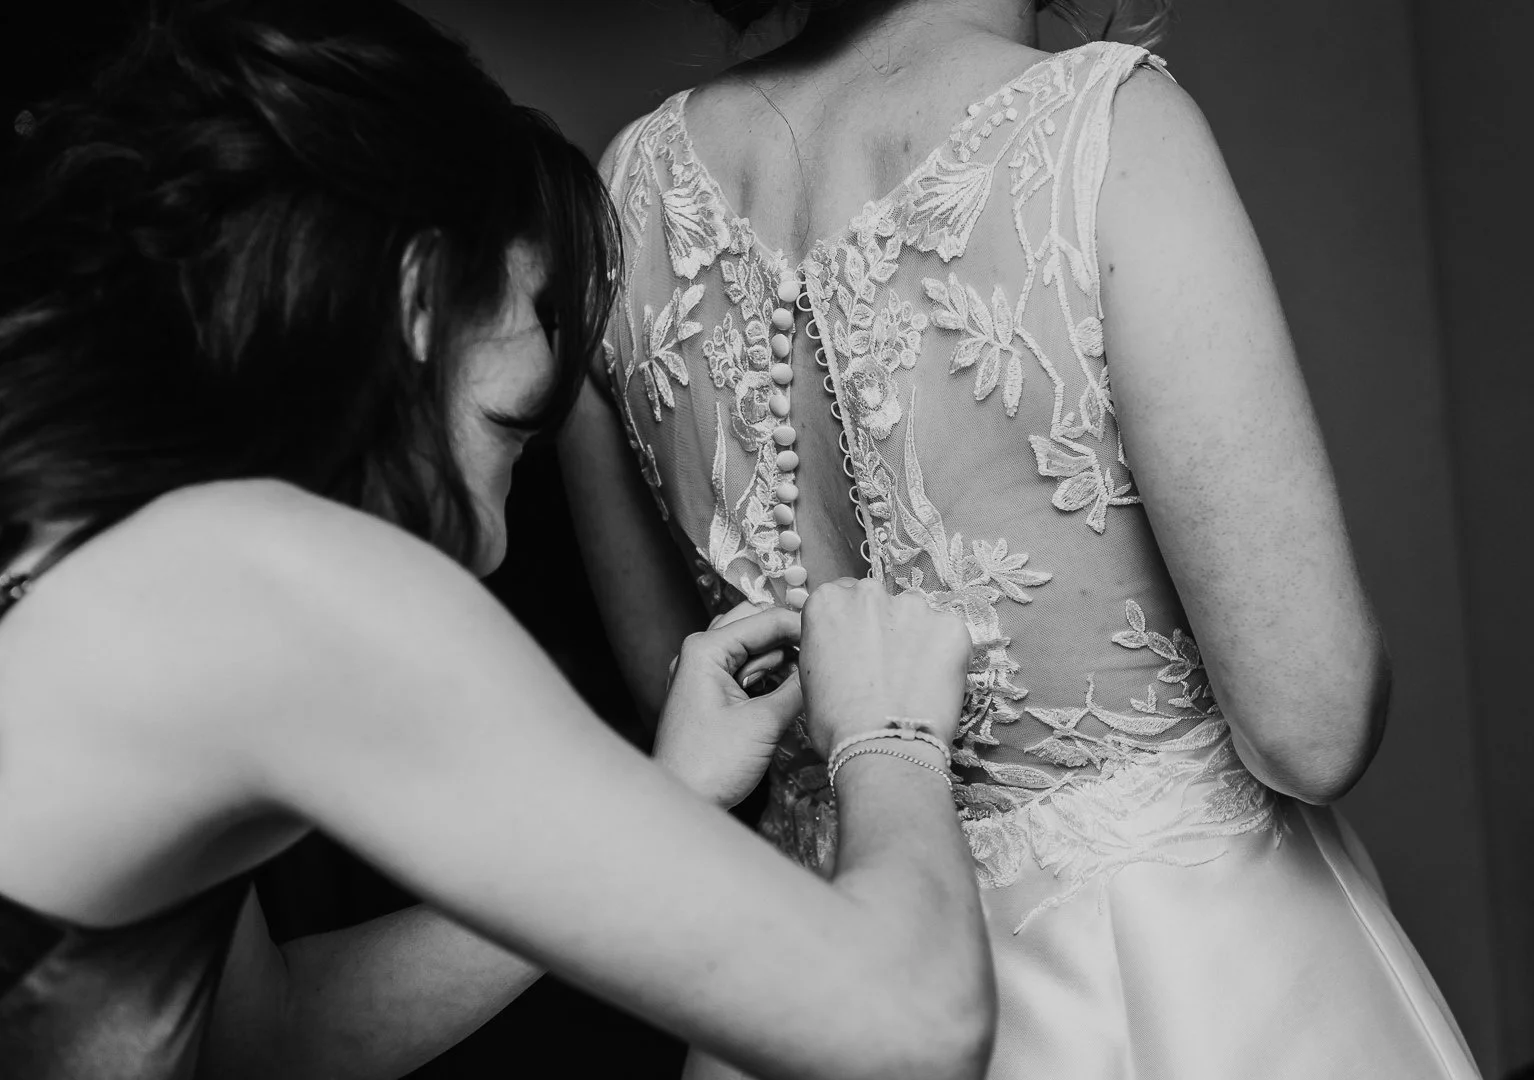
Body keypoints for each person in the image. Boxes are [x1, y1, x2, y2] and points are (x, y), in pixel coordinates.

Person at [0, 3, 997, 1079]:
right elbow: (913, 1032)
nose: (487, 546)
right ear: (421, 298)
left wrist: (659, 808)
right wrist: (889, 735)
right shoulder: (269, 574)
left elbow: (264, 1039)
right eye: (508, 430)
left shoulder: (101, 549)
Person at [562, 0, 1484, 1076]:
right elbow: (1310, 727)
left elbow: (687, 702)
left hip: (820, 988)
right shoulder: (1104, 128)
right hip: (1159, 989)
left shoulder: (627, 191)